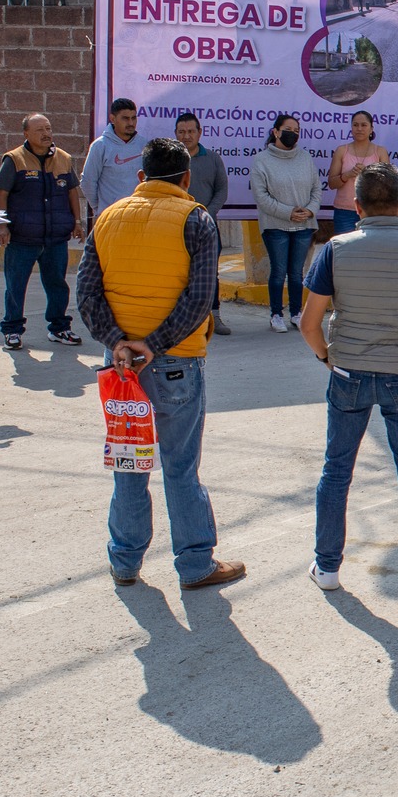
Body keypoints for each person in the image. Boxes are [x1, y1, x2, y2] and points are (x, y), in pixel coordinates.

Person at [78, 136, 244, 591]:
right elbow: (199, 301)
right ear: (187, 179)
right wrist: (155, 343)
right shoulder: (197, 219)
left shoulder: (107, 218)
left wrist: (119, 342)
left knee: (129, 465)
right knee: (180, 467)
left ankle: (125, 561)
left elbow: (87, 296)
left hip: (123, 367)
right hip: (177, 362)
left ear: (140, 177)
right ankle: (194, 565)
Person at [298, 164, 398, 599]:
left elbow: (310, 323)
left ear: (357, 206)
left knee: (336, 470)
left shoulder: (336, 248)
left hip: (348, 372)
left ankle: (327, 566)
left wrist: (328, 358)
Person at [0, 112, 84, 351]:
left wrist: (77, 221)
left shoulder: (63, 158)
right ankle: (12, 330)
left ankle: (59, 328)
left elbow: (72, 192)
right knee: (16, 285)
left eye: (48, 128)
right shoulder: (14, 160)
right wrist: (2, 225)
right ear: (26, 134)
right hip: (23, 238)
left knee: (57, 284)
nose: (46, 133)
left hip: (55, 238)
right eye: (39, 130)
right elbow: (1, 194)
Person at [249, 114, 320, 333]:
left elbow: (317, 188)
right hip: (275, 226)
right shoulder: (261, 160)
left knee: (297, 273)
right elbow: (262, 197)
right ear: (276, 132)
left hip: (304, 225)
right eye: (288, 129)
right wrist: (288, 213)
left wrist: (310, 210)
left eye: (296, 130)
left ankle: (297, 313)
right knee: (279, 272)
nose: (293, 133)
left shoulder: (305, 158)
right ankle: (276, 314)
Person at [175, 112, 230, 336]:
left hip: (207, 225)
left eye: (191, 131)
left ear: (200, 132)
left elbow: (221, 190)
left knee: (210, 272)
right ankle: (183, 320)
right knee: (179, 271)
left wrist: (207, 213)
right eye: (181, 132)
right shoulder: (172, 159)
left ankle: (214, 317)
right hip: (176, 225)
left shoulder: (213, 159)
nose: (186, 136)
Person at [82, 97, 148, 223]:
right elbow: (88, 181)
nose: (131, 123)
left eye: (134, 118)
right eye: (125, 118)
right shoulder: (100, 146)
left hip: (138, 218)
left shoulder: (144, 145)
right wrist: (99, 208)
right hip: (109, 219)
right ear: (112, 119)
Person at [326, 110, 389, 235]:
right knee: (345, 251)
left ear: (371, 129)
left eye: (364, 125)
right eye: (355, 125)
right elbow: (332, 184)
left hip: (372, 211)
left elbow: (386, 185)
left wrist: (368, 175)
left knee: (369, 252)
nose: (359, 128)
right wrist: (347, 175)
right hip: (345, 212)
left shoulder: (380, 152)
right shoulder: (341, 150)